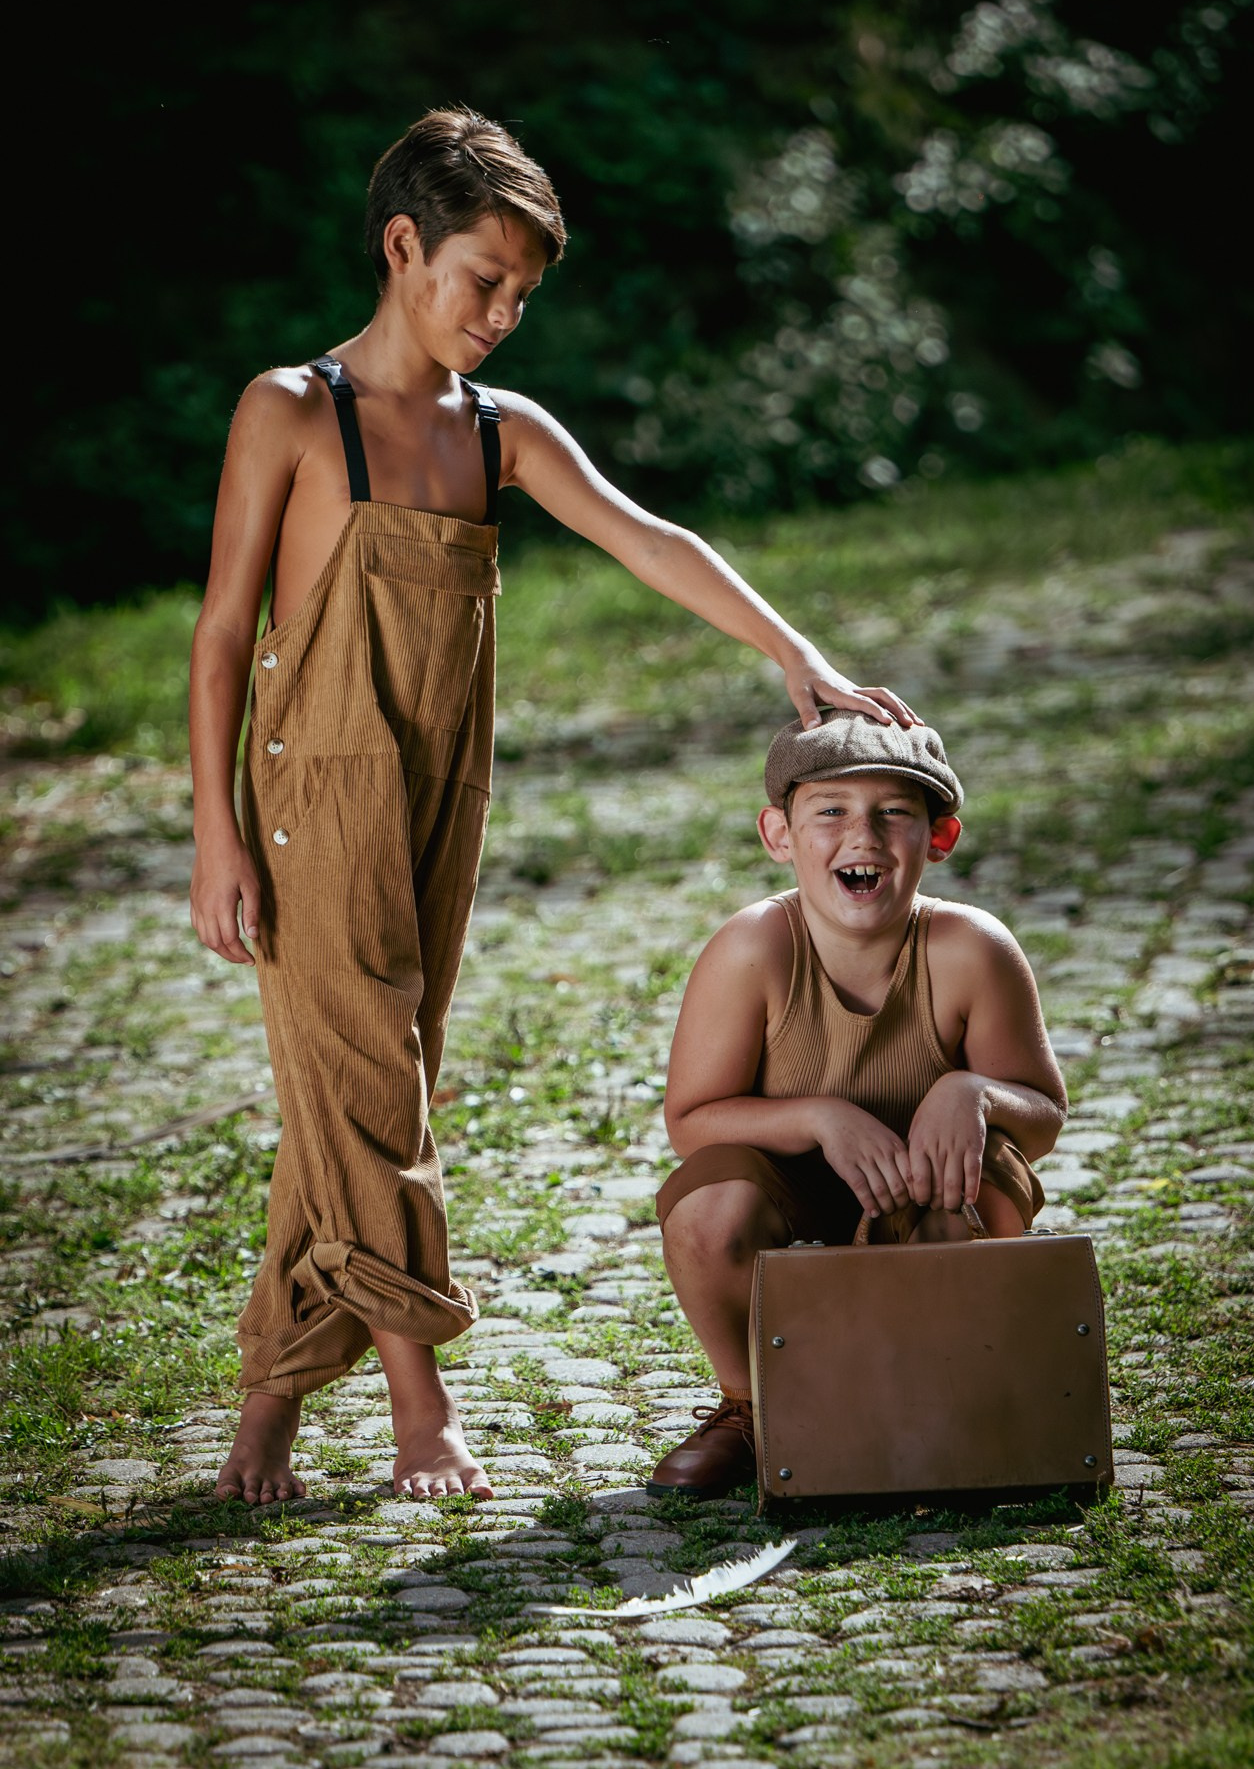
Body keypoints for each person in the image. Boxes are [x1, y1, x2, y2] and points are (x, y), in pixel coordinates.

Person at [188, 106, 918, 1507]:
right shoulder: (292, 409)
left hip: (439, 792)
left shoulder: (497, 432)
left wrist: (792, 652)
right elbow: (223, 633)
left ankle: (265, 1410)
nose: (505, 313)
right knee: (377, 1091)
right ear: (404, 247)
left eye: (524, 293)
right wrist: (217, 829)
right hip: (310, 795)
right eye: (484, 280)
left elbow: (652, 537)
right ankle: (421, 1407)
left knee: (354, 1089)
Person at [648, 708, 1067, 1499]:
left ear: (938, 839)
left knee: (960, 1204)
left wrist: (970, 1089)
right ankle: (752, 1408)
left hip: (929, 1186)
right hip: (796, 1186)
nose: (863, 838)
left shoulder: (971, 949)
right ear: (779, 833)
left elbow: (1042, 1113)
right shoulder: (752, 948)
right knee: (707, 1209)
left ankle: (938, 1401)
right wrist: (817, 1116)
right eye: (831, 812)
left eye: (894, 814)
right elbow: (690, 1122)